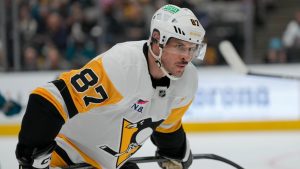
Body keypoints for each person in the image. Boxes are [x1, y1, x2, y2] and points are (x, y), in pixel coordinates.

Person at [16, 4, 207, 169]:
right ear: (157, 41)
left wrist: (174, 151)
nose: (187, 57)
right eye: (180, 46)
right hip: (65, 156)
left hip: (106, 163)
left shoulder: (187, 80)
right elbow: (47, 101)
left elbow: (167, 124)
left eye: (192, 48)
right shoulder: (122, 65)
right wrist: (32, 156)